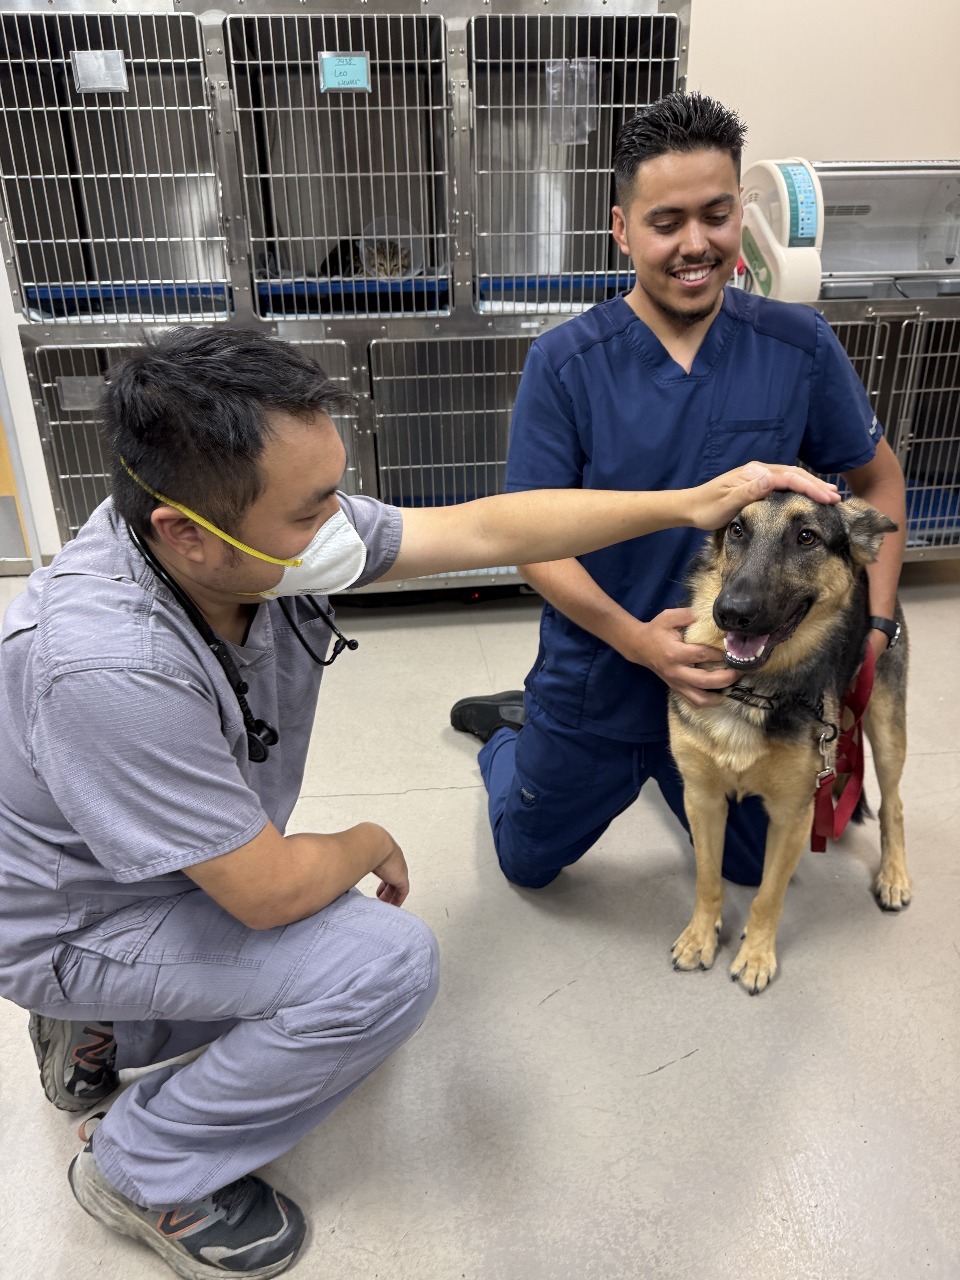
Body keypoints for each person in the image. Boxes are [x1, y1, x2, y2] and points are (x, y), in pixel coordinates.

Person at [0, 325, 838, 1279]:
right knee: (379, 966)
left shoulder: (217, 536)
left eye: (335, 493)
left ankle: (104, 1027)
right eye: (312, 512)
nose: (340, 528)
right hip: (73, 918)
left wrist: (687, 505)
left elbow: (486, 528)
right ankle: (141, 1164)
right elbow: (268, 893)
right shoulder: (109, 662)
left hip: (151, 864)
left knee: (316, 933)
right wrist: (366, 837)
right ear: (187, 534)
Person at [450, 90, 906, 894]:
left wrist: (872, 624)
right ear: (623, 228)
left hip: (749, 683)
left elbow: (878, 477)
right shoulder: (565, 363)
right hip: (605, 668)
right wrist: (637, 642)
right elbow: (529, 537)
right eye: (666, 223)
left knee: (762, 869)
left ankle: (680, 777)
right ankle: (511, 734)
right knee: (527, 862)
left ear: (740, 217)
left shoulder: (797, 345)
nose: (696, 245)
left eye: (717, 215)